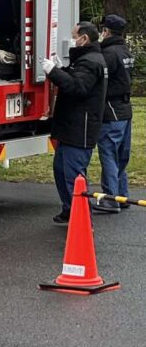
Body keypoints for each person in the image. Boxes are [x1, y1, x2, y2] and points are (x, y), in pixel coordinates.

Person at [44, 22, 108, 223]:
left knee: (74, 176)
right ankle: (69, 209)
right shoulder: (86, 60)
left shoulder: (90, 62)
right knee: (61, 170)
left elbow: (77, 87)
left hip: (80, 128)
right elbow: (75, 78)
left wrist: (54, 72)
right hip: (71, 127)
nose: (72, 39)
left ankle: (82, 219)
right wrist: (61, 69)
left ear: (84, 38)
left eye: (74, 36)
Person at [97, 14, 134, 211]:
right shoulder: (125, 51)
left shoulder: (109, 54)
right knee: (121, 154)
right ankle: (122, 195)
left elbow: (100, 80)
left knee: (109, 153)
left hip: (112, 109)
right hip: (126, 108)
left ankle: (110, 199)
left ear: (106, 31)